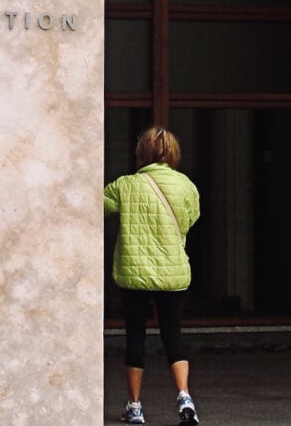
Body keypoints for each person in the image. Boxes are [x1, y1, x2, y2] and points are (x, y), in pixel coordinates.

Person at [104, 126, 202, 425]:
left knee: (136, 336)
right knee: (173, 334)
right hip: (173, 272)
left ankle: (135, 406)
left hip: (136, 273)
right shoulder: (186, 185)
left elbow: (96, 206)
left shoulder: (125, 185)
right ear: (173, 153)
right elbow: (191, 219)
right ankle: (184, 395)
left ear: (141, 153)